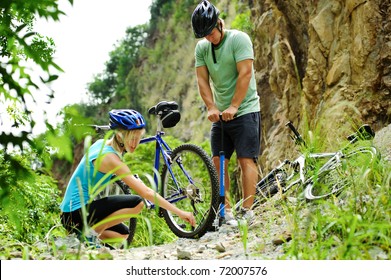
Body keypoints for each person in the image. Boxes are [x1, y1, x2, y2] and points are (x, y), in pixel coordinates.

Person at [60, 109, 196, 247]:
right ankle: (89, 237)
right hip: (75, 213)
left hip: (70, 214)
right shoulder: (111, 158)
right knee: (137, 203)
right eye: (131, 138)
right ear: (119, 135)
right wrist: (179, 212)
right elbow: (146, 193)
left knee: (123, 234)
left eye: (138, 138)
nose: (135, 143)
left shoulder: (101, 143)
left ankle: (80, 237)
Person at [192, 0, 261, 225]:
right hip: (221, 116)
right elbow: (202, 80)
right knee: (218, 163)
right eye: (204, 35)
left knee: (246, 160)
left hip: (246, 109)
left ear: (219, 23)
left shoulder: (239, 39)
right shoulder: (202, 48)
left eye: (211, 32)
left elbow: (245, 74)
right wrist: (212, 107)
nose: (209, 38)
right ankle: (226, 212)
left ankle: (248, 211)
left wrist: (234, 106)